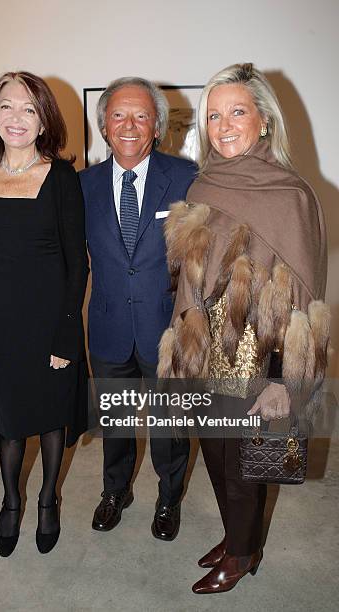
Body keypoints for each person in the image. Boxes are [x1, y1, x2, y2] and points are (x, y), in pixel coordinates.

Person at [158, 63, 329, 592]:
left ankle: (243, 552)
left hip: (261, 352)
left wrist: (284, 380)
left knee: (248, 458)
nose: (224, 124)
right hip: (206, 346)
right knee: (213, 448)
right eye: (214, 115)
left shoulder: (290, 194)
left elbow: (307, 299)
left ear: (265, 121)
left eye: (237, 111)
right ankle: (239, 534)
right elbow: (193, 273)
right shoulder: (205, 182)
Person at [0, 71, 89, 557]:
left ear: (44, 118)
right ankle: (11, 502)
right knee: (7, 419)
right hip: (1, 320)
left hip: (50, 318)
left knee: (50, 418)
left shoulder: (62, 177)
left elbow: (77, 263)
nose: (16, 118)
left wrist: (68, 336)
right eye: (6, 106)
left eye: (28, 108)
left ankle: (48, 499)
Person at [79, 77, 197, 540]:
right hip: (108, 326)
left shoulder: (186, 177)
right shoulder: (81, 185)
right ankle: (116, 491)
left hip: (166, 327)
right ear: (104, 125)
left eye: (141, 115)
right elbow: (59, 252)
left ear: (157, 126)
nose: (129, 125)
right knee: (116, 423)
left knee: (170, 428)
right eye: (119, 115)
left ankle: (169, 499)